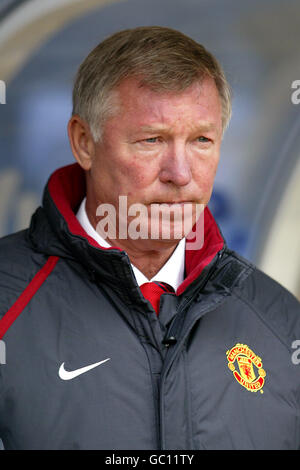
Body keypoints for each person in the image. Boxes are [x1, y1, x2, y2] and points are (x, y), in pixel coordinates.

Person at [0, 26, 299, 451]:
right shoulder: (8, 302)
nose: (180, 173)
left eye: (201, 140)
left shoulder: (281, 323)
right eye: (151, 140)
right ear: (84, 142)